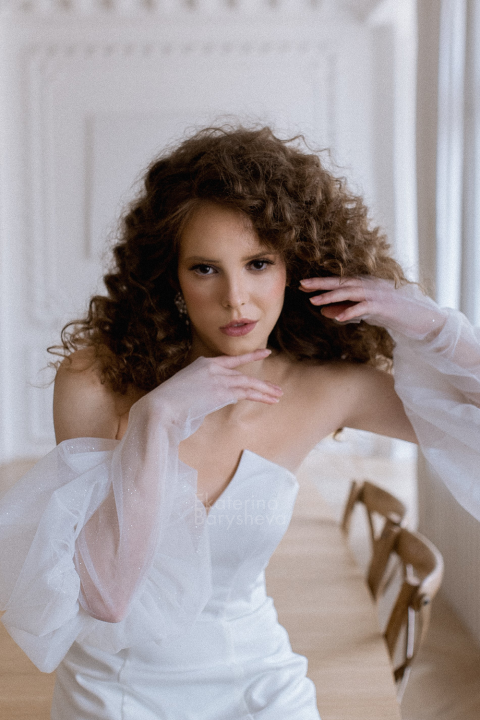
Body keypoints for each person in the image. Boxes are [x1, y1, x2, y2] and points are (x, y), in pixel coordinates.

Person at [1, 125, 480, 720]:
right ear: (172, 279)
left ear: (293, 267)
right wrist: (157, 418)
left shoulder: (327, 389)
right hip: (115, 694)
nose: (236, 298)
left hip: (259, 682)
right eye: (205, 269)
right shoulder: (95, 382)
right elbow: (107, 597)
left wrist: (434, 327)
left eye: (258, 263)